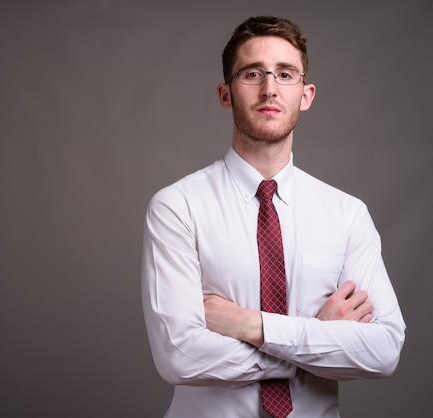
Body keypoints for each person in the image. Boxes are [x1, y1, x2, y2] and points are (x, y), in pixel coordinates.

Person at [140, 15, 406, 418]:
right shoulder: (177, 207)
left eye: (285, 74)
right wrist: (318, 336)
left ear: (306, 94)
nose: (269, 89)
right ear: (225, 93)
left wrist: (252, 326)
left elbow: (384, 351)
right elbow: (178, 357)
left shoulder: (347, 214)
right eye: (251, 74)